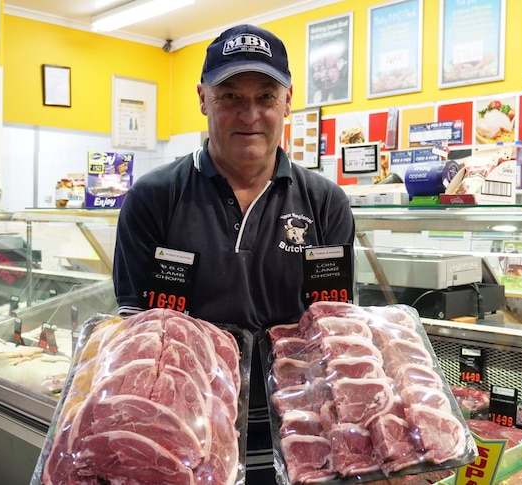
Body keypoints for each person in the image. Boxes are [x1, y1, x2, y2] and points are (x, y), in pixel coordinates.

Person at [112, 24, 356, 482]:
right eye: (230, 97)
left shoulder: (325, 202)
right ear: (203, 98)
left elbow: (335, 328)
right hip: (184, 434)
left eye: (265, 96)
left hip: (297, 436)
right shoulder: (153, 197)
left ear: (288, 100)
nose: (250, 114)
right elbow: (134, 331)